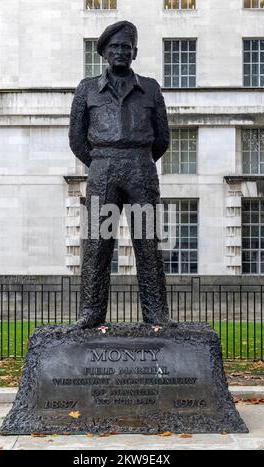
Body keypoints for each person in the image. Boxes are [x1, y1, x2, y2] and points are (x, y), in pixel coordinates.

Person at [69, 21, 170, 328]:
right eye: (114, 47)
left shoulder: (151, 88)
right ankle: (91, 313)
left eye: (126, 47)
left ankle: (156, 313)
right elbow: (76, 139)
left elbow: (162, 138)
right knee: (97, 244)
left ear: (134, 52)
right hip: (103, 169)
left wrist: (138, 158)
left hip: (141, 167)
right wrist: (102, 159)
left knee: (148, 243)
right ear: (104, 52)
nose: (120, 52)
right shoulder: (87, 89)